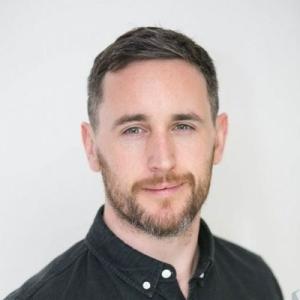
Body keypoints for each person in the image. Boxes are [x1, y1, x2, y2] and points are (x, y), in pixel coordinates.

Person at [5, 27, 283, 300]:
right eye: (133, 130)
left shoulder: (256, 279)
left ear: (219, 139)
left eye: (183, 126)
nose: (163, 161)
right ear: (91, 147)